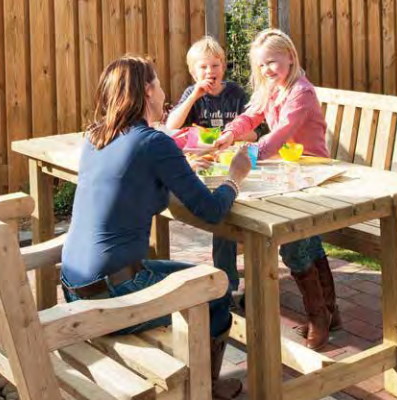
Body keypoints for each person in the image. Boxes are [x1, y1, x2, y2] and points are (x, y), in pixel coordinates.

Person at [60, 55, 251, 399]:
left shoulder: (95, 136)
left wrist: (182, 164)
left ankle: (202, 383)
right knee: (218, 289)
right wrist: (235, 178)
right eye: (160, 84)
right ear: (148, 91)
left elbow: (134, 179)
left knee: (194, 278)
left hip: (75, 285)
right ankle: (204, 388)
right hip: (113, 293)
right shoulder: (153, 142)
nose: (164, 91)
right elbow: (210, 212)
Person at [213, 29, 341, 350]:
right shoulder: (271, 88)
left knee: (293, 246)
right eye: (262, 65)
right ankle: (330, 311)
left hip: (312, 174)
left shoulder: (301, 93)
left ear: (290, 57)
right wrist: (230, 134)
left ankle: (319, 318)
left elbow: (280, 134)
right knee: (307, 242)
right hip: (288, 173)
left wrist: (248, 155)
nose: (267, 69)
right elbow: (250, 116)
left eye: (272, 61)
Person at [165, 36, 254, 298]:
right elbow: (172, 126)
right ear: (193, 72)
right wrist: (194, 95)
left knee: (233, 213)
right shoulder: (192, 95)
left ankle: (241, 281)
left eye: (215, 66)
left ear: (223, 67)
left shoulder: (236, 94)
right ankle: (228, 284)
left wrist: (230, 136)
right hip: (206, 166)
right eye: (203, 68)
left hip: (235, 163)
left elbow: (254, 134)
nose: (210, 73)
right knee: (223, 217)